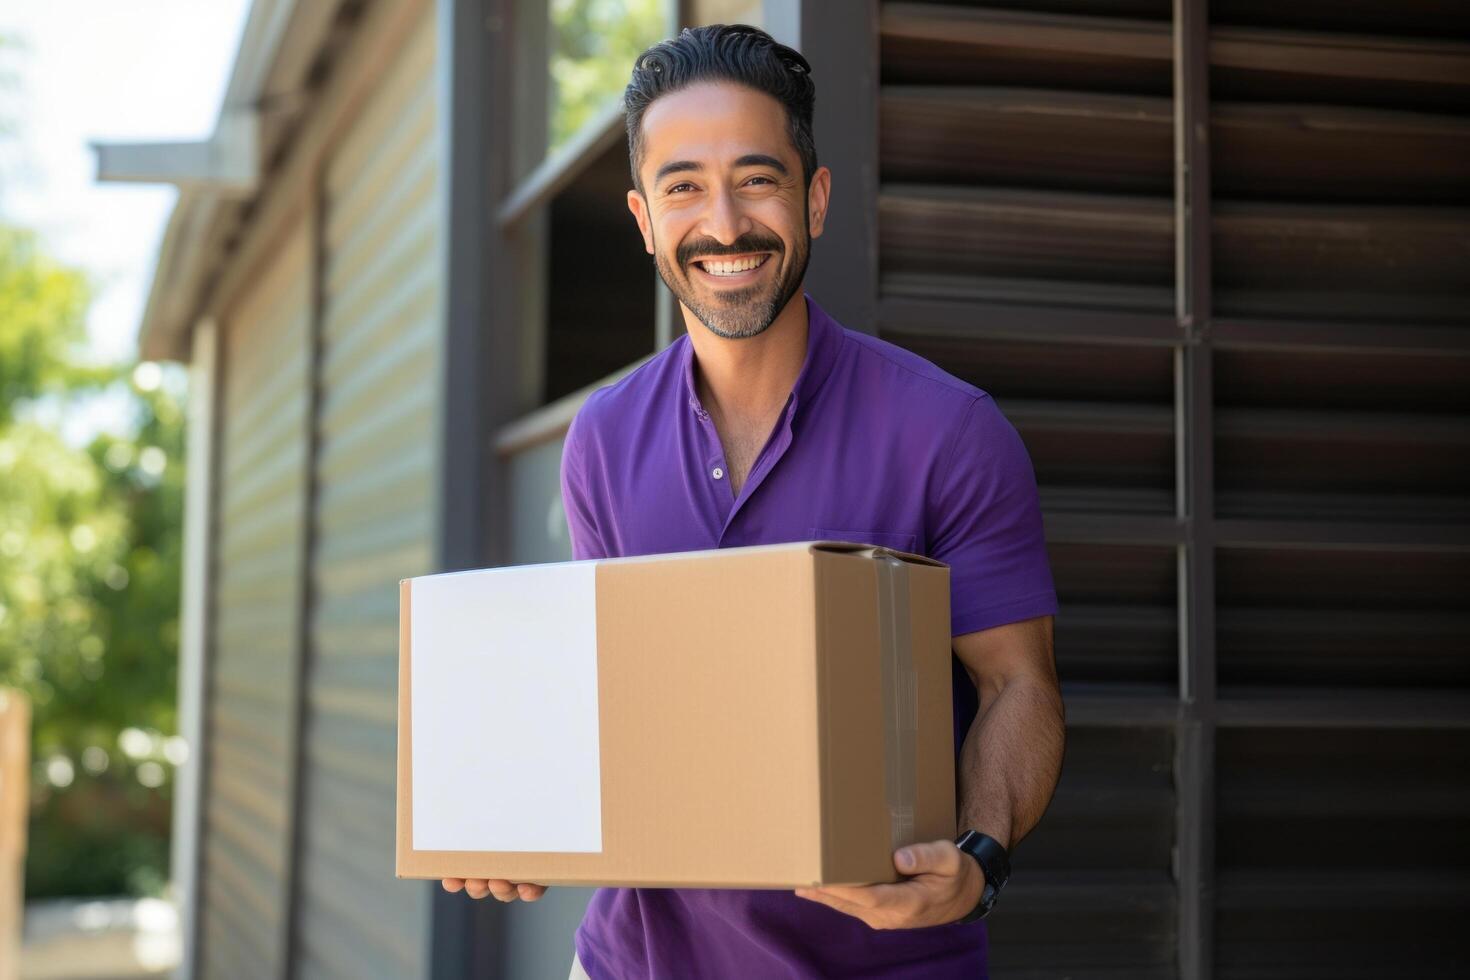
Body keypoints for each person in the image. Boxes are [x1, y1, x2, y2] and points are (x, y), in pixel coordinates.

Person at [442, 24, 1065, 979]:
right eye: (683, 186)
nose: (724, 222)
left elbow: (1017, 685)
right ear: (645, 220)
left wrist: (978, 860)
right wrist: (515, 824)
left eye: (758, 178)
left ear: (814, 197)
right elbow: (607, 705)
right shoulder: (602, 441)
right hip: (632, 965)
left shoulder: (947, 430)